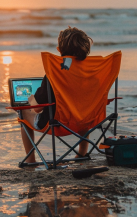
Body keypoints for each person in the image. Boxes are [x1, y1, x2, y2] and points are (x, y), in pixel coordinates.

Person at [20, 26, 93, 164]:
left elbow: (37, 109)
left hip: (56, 123)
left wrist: (30, 98)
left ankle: (30, 160)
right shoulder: (91, 73)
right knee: (84, 111)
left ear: (59, 49)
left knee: (23, 112)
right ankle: (82, 153)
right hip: (83, 121)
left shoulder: (55, 73)